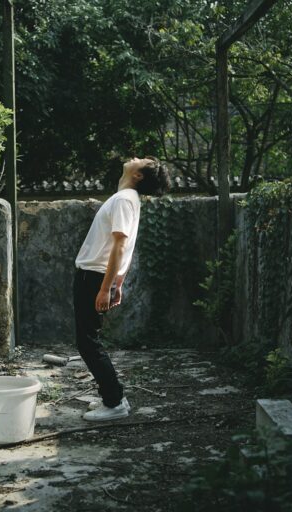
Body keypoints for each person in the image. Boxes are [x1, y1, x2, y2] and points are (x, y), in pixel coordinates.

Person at [74, 156, 172, 421]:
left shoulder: (124, 199)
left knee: (88, 342)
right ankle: (115, 396)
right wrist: (117, 283)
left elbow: (120, 245)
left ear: (139, 175)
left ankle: (114, 402)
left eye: (142, 160)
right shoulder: (127, 200)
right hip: (98, 276)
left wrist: (106, 288)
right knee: (89, 339)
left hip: (93, 276)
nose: (135, 157)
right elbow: (124, 247)